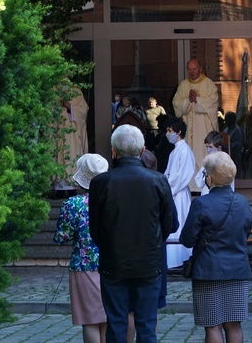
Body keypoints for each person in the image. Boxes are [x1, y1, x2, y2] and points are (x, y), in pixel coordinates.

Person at [88, 124, 177, 343]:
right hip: (149, 262)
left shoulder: (101, 182)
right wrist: (153, 241)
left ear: (113, 151)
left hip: (114, 262)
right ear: (142, 150)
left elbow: (95, 229)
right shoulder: (158, 181)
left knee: (116, 325)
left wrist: (110, 247)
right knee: (147, 326)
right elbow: (170, 224)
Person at [180, 151, 252, 343]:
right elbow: (245, 233)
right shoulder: (243, 202)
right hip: (237, 268)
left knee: (212, 325)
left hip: (207, 270)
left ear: (210, 178)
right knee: (234, 324)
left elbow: (187, 239)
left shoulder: (202, 204)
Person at [54, 153, 110, 343]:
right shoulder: (113, 200)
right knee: (108, 319)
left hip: (83, 265)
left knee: (90, 321)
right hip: (113, 264)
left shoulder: (73, 204)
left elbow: (62, 237)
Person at [172, 58, 220, 169]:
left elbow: (213, 104)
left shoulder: (209, 84)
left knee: (203, 154)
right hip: (188, 130)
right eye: (189, 69)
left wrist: (197, 100)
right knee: (188, 159)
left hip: (203, 128)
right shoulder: (183, 85)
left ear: (200, 69)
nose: (191, 72)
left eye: (194, 69)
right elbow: (176, 104)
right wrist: (188, 100)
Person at [164, 116, 196, 269]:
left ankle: (182, 256)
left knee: (180, 222)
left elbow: (183, 175)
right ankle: (173, 258)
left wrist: (169, 189)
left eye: (170, 131)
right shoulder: (174, 152)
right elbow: (168, 173)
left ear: (179, 131)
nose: (167, 134)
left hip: (179, 193)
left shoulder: (185, 151)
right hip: (172, 191)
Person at [54, 86, 90, 195]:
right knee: (57, 157)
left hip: (72, 133)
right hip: (57, 129)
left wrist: (70, 106)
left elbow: (83, 110)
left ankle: (71, 188)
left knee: (72, 155)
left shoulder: (76, 91)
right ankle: (58, 188)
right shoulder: (52, 91)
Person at [194, 131, 235, 196]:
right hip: (206, 196)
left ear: (219, 147)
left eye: (210, 147)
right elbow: (199, 183)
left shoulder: (226, 162)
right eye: (206, 147)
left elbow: (230, 185)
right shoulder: (208, 160)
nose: (208, 150)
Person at [223, 111, 244, 179]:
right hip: (226, 156)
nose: (226, 121)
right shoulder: (226, 129)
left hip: (235, 157)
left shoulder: (237, 130)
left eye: (227, 119)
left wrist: (227, 146)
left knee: (235, 175)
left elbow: (238, 145)